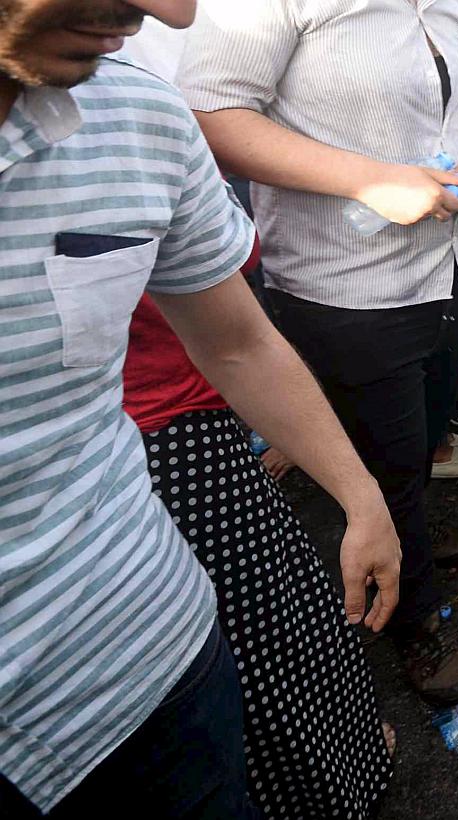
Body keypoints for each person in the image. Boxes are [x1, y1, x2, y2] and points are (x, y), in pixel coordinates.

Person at [0, 0, 401, 815]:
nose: (174, 13)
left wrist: (362, 499)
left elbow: (235, 344)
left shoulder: (137, 118)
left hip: (161, 661)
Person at [181, 0, 458, 707]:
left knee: (425, 438)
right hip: (347, 287)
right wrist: (365, 178)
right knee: (386, 464)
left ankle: (409, 550)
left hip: (448, 269)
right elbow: (212, 114)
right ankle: (411, 616)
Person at [124, 298, 396, 818]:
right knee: (253, 658)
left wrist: (361, 497)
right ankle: (320, 796)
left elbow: (243, 341)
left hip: (206, 438)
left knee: (299, 629)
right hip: (166, 456)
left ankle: (349, 766)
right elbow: (236, 342)